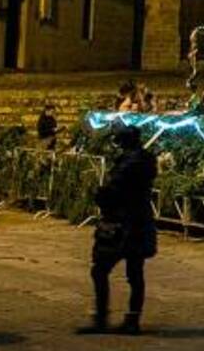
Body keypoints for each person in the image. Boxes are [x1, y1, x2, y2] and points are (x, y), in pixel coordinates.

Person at [78, 126, 157, 335]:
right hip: (140, 220)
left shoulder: (128, 164)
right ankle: (132, 319)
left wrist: (101, 195)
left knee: (100, 270)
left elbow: (114, 191)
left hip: (122, 222)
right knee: (135, 273)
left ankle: (102, 317)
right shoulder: (147, 160)